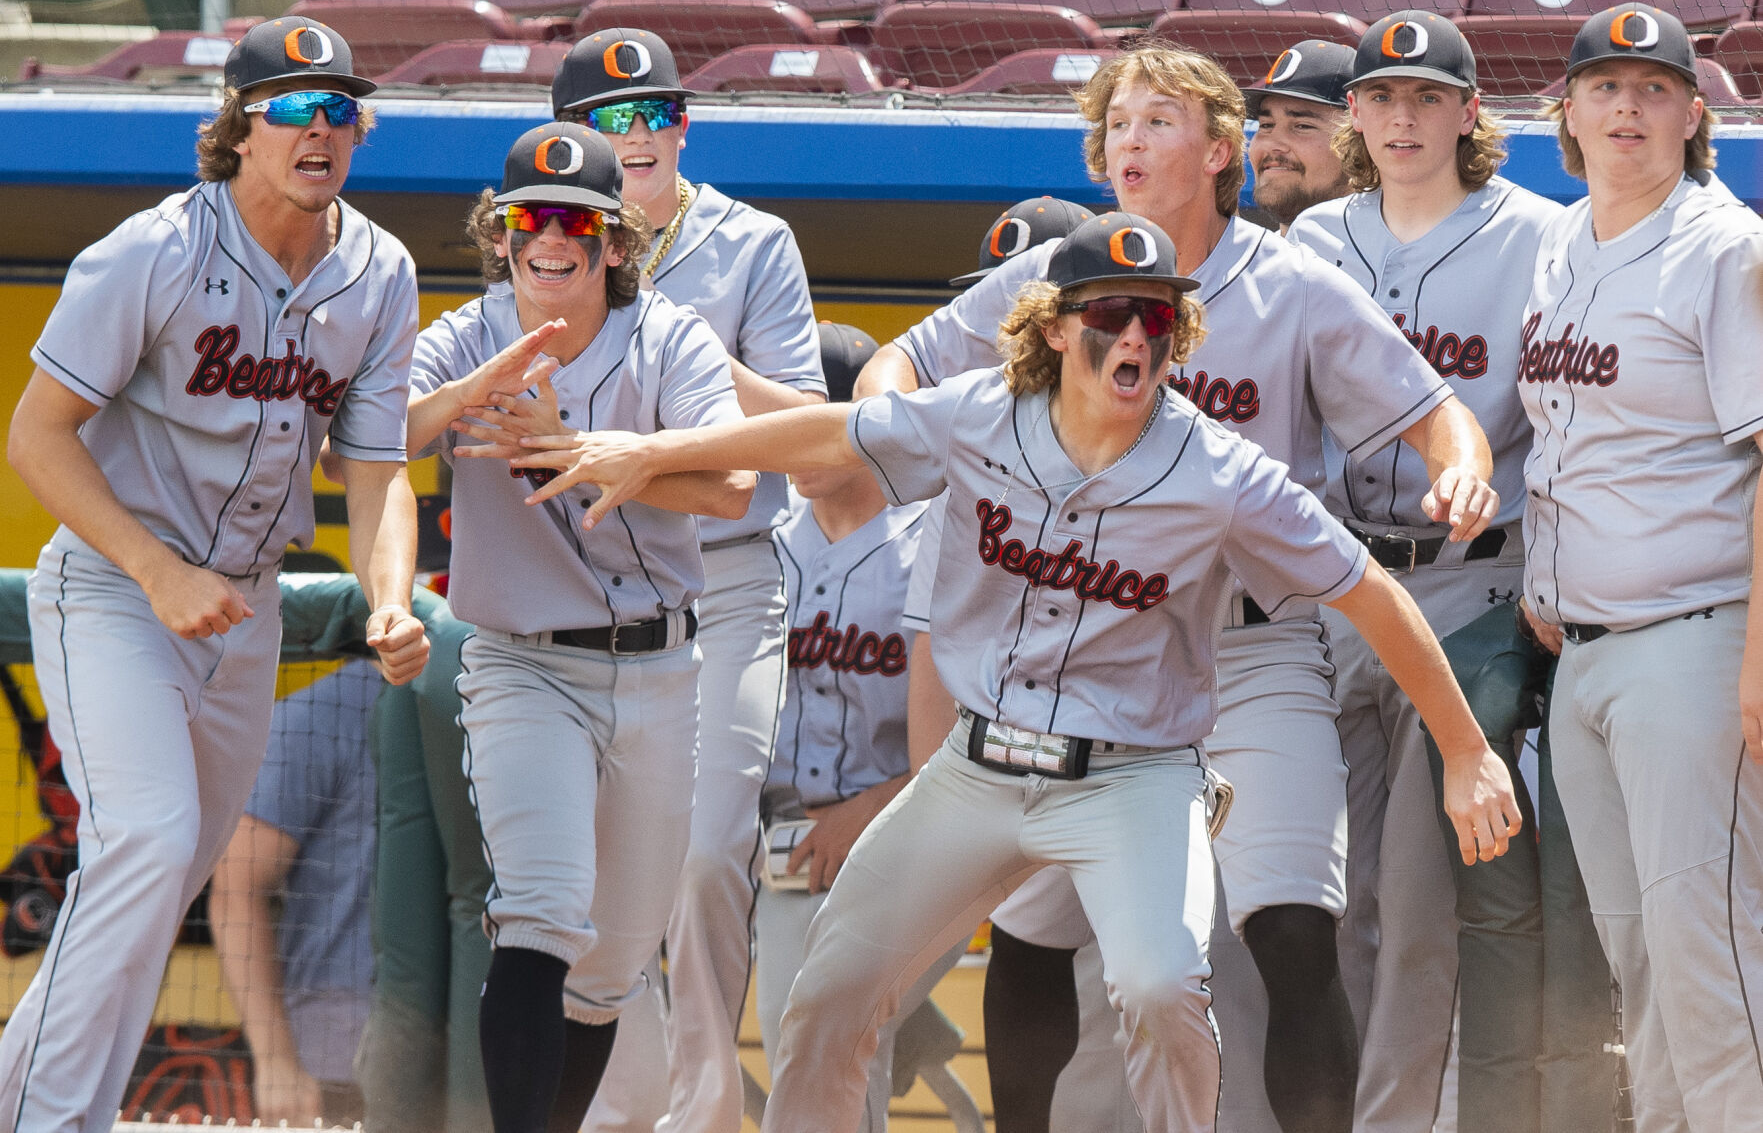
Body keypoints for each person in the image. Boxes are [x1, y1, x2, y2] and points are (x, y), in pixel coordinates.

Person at [476, 210, 1521, 1133]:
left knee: (1163, 988)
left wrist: (1466, 749)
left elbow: (1368, 592)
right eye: (1109, 311)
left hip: (1133, 773)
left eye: (1156, 316)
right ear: (1058, 324)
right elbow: (831, 430)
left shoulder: (1216, 468)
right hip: (977, 767)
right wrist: (651, 453)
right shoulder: (980, 411)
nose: (1133, 335)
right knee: (831, 987)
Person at [859, 42, 1500, 1133]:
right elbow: (895, 371)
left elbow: (1431, 404)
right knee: (1029, 929)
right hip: (1090, 645)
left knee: (1294, 930)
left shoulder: (1291, 280)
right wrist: (900, 449)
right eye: (1115, 125)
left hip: (1251, 648)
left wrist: (1463, 462)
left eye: (1155, 120)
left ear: (1218, 150)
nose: (1129, 141)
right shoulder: (1057, 269)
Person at [0, 15, 430, 1131]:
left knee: (154, 888)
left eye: (339, 107)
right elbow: (35, 435)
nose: (319, 127)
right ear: (238, 129)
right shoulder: (151, 250)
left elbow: (376, 468)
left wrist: (389, 595)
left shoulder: (378, 269)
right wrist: (153, 572)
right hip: (114, 586)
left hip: (247, 606)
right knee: (141, 841)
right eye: (291, 106)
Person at [403, 120, 752, 1133]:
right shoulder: (461, 336)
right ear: (499, 234)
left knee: (606, 968)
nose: (547, 235)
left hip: (658, 667)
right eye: (526, 218)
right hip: (522, 666)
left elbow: (731, 485)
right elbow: (363, 441)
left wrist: (596, 451)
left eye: (575, 218)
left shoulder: (669, 336)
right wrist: (467, 396)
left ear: (612, 241)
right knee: (544, 908)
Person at [1284, 10, 1598, 1133]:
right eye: (1379, 97)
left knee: (1419, 904)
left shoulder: (1540, 235)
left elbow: (1567, 424)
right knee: (1311, 898)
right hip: (1322, 587)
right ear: (1351, 115)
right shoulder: (1306, 242)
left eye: (1427, 97)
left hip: (1467, 584)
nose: (1401, 116)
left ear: (1471, 113)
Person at [549, 28, 827, 1133]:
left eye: (654, 112)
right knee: (602, 871)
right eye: (610, 120)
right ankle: (622, 1111)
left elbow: (806, 431)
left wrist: (692, 362)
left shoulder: (752, 243)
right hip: (593, 580)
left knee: (711, 853)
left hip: (727, 574)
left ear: (681, 126)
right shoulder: (544, 239)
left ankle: (707, 1114)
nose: (637, 136)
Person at [1519, 2, 1763, 1132]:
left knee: (1706, 955)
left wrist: (1755, 661)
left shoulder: (1725, 247)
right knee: (1639, 961)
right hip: (1584, 656)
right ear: (1562, 110)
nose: (1626, 104)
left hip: (1694, 642)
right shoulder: (1560, 241)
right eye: (1604, 84)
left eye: (1653, 86)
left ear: (1691, 114)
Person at [756, 320, 958, 1131]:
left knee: (826, 1036)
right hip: (777, 841)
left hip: (902, 839)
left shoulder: (933, 543)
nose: (791, 438)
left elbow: (967, 726)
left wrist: (872, 809)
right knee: (800, 1042)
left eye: (813, 417)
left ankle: (901, 1025)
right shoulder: (762, 548)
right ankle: (908, 1031)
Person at [210, 657, 382, 1127]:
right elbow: (235, 888)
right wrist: (276, 1061)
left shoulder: (516, 709)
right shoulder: (326, 712)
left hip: (467, 1044)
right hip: (334, 1055)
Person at [1244, 40, 1356, 234]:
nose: (1273, 144)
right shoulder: (1247, 261)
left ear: (1356, 143)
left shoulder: (1395, 261)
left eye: (1302, 126)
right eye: (1266, 125)